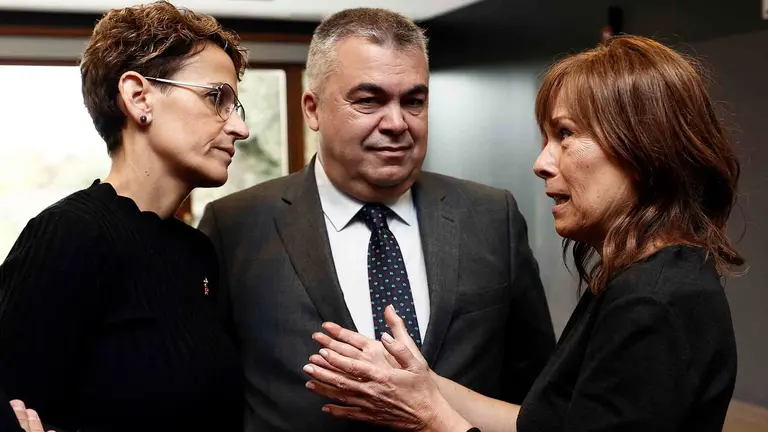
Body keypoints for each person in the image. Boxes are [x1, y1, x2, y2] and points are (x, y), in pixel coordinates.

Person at [302, 35, 743, 432]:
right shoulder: (633, 278)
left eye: (565, 134)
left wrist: (430, 418)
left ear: (643, 148)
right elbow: (543, 423)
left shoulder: (655, 301)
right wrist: (423, 385)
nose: (542, 162)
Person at [197, 7, 556, 431]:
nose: (397, 123)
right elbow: (209, 396)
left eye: (414, 101)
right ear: (312, 109)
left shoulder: (491, 216)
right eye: (368, 101)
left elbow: (539, 396)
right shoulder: (235, 226)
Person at [0, 1, 250, 431]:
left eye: (236, 106)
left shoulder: (197, 252)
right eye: (216, 98)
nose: (240, 128)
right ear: (138, 98)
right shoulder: (72, 232)